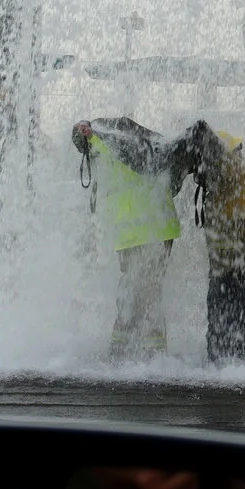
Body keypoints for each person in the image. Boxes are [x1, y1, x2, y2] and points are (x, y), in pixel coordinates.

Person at [72, 117, 180, 356]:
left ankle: (139, 351)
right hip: (150, 232)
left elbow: (94, 144)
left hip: (144, 233)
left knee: (143, 290)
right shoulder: (148, 149)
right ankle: (136, 347)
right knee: (142, 288)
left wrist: (90, 135)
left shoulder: (117, 148)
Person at [171, 119, 245, 364]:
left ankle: (235, 360)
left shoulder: (238, 171)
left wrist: (204, 140)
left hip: (240, 262)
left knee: (234, 313)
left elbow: (226, 168)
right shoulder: (218, 182)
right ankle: (219, 358)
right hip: (223, 264)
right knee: (218, 311)